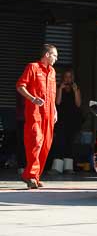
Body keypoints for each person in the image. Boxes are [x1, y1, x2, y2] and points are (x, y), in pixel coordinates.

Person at [16, 44, 58, 189]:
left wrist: (55, 111)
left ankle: (35, 176)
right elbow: (20, 86)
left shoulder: (52, 71)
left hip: (49, 113)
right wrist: (32, 98)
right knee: (35, 142)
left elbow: (51, 94)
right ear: (47, 55)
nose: (56, 58)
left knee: (46, 145)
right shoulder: (32, 67)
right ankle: (31, 175)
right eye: (54, 55)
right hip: (35, 113)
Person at [50, 69, 82, 174]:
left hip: (72, 120)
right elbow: (57, 102)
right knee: (59, 142)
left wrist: (76, 90)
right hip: (61, 120)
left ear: (73, 78)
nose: (68, 79)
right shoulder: (59, 88)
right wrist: (60, 89)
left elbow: (78, 104)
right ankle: (56, 167)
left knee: (70, 143)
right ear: (63, 78)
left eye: (70, 77)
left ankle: (68, 167)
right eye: (66, 77)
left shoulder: (76, 89)